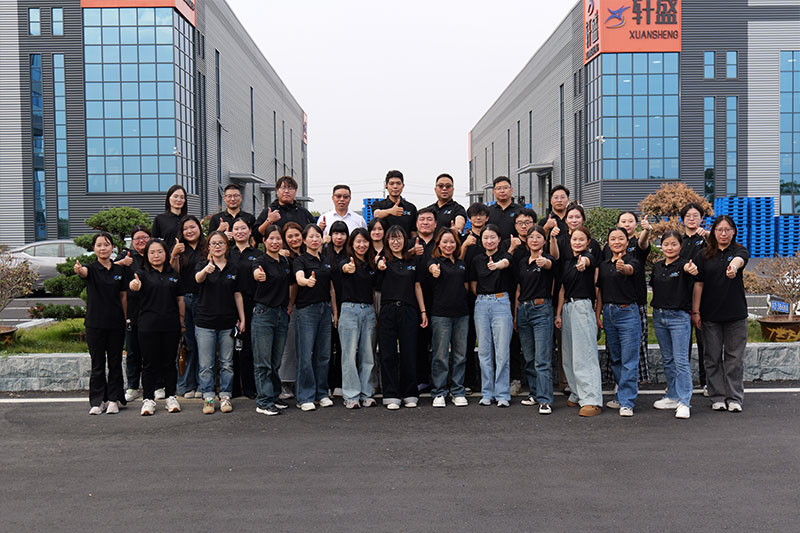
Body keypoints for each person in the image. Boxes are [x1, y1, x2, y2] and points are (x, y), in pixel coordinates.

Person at [692, 215, 749, 413]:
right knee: (712, 358)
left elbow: (740, 260)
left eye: (727, 230)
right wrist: (696, 311)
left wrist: (733, 267)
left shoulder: (739, 251)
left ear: (733, 232)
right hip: (710, 315)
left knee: (735, 359)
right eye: (719, 230)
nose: (723, 234)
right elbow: (698, 284)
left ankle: (734, 398)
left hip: (736, 315)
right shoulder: (703, 255)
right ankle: (717, 396)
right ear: (714, 232)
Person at [128, 239, 185, 416]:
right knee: (149, 363)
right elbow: (133, 286)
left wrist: (182, 321)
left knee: (169, 362)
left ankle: (171, 397)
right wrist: (134, 286)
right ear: (147, 255)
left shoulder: (173, 274)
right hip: (148, 325)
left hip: (171, 324)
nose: (156, 255)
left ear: (166, 253)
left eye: (160, 251)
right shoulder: (141, 274)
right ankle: (148, 399)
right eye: (152, 252)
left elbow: (180, 299)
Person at [75, 232, 127, 415]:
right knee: (97, 364)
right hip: (95, 324)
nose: (103, 248)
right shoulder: (90, 268)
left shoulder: (119, 270)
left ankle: (113, 399)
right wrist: (78, 270)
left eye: (106, 244)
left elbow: (123, 296)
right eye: (99, 245)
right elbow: (83, 272)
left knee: (115, 363)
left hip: (116, 324)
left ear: (112, 247)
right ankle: (98, 401)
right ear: (94, 248)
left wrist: (125, 318)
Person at [194, 231, 246, 414]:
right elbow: (197, 279)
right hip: (205, 322)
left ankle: (225, 395)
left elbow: (237, 294)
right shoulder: (202, 265)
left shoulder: (233, 268)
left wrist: (242, 318)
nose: (217, 246)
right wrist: (205, 271)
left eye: (221, 243)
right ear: (208, 247)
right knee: (206, 364)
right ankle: (208, 397)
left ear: (226, 246)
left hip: (228, 322)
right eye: (214, 243)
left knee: (227, 363)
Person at [376, 225, 428, 409]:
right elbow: (376, 275)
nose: (395, 242)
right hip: (388, 310)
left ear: (405, 241)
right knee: (388, 353)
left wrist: (423, 311)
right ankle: (391, 395)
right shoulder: (383, 260)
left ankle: (409, 392)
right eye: (392, 238)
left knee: (409, 352)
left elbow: (417, 286)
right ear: (387, 241)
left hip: (409, 310)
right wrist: (379, 266)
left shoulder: (412, 261)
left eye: (399, 238)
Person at [554, 225, 602, 417]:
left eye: (581, 239)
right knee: (569, 355)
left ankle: (592, 399)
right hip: (567, 308)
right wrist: (558, 314)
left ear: (588, 242)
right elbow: (562, 290)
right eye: (574, 239)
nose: (577, 242)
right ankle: (577, 393)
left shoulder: (589, 257)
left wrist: (584, 263)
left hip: (582, 307)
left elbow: (587, 262)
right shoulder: (567, 262)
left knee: (585, 355)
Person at [651, 231, 698, 419]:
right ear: (661, 246)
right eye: (666, 244)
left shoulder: (684, 265)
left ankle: (685, 402)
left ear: (680, 246)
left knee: (681, 361)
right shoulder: (657, 266)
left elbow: (690, 270)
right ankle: (672, 395)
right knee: (668, 360)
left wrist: (691, 269)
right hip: (659, 316)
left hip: (679, 317)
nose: (669, 248)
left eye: (674, 244)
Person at [596, 227, 642, 417]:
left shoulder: (633, 261)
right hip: (609, 313)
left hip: (627, 312)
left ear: (627, 241)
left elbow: (630, 270)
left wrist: (623, 268)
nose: (617, 242)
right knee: (616, 358)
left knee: (629, 359)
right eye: (613, 239)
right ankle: (620, 394)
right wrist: (597, 315)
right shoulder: (604, 265)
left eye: (621, 238)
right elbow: (600, 291)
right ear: (608, 242)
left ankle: (627, 402)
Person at [293, 224, 338, 411]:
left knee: (323, 355)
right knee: (305, 355)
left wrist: (335, 311)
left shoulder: (326, 260)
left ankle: (321, 393)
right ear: (304, 240)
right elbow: (299, 278)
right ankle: (305, 396)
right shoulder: (300, 260)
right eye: (310, 236)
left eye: (317, 236)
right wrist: (306, 281)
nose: (314, 239)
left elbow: (332, 288)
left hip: (325, 309)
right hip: (307, 310)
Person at [251, 225, 293, 416]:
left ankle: (274, 395)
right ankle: (264, 401)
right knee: (263, 362)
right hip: (264, 314)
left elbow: (291, 283)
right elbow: (255, 272)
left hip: (281, 314)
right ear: (264, 241)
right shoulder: (260, 261)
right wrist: (257, 275)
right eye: (271, 238)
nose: (275, 242)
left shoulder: (284, 261)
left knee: (276, 360)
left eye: (278, 239)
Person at [470, 224, 514, 407]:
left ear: (499, 239)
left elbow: (506, 264)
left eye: (493, 237)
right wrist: (483, 298)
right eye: (485, 237)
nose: (489, 241)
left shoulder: (505, 257)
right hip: (481, 303)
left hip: (501, 302)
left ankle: (502, 394)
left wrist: (496, 265)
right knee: (484, 351)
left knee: (502, 351)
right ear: (481, 240)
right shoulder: (477, 260)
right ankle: (487, 392)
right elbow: (473, 284)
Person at [514, 225, 556, 414]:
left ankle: (545, 400)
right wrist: (516, 314)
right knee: (529, 357)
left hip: (541, 310)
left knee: (542, 358)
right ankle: (535, 393)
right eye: (531, 237)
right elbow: (518, 289)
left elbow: (549, 265)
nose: (534, 240)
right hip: (523, 310)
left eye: (538, 237)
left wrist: (543, 262)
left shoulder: (547, 258)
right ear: (527, 240)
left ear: (544, 241)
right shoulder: (522, 262)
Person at [427, 228, 470, 407]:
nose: (448, 245)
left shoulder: (461, 264)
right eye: (444, 242)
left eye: (452, 242)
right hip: (441, 315)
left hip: (462, 314)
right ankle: (439, 392)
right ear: (438, 244)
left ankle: (458, 391)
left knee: (460, 355)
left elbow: (466, 286)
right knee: (440, 355)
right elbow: (431, 269)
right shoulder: (434, 262)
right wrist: (434, 270)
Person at [611, 211, 653, 384]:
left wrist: (647, 231)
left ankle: (636, 379)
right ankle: (618, 380)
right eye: (623, 221)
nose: (627, 224)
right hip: (614, 301)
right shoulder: (610, 246)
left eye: (630, 221)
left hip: (636, 301)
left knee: (638, 342)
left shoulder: (637, 244)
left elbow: (643, 243)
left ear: (636, 225)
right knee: (615, 345)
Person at [338, 228, 378, 409]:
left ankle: (367, 393)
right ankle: (351, 395)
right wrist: (347, 268)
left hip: (368, 311)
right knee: (349, 355)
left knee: (368, 355)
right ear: (352, 244)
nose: (362, 245)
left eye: (365, 241)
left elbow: (373, 291)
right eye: (358, 241)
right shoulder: (346, 261)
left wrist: (375, 313)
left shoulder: (371, 265)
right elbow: (343, 269)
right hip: (350, 310)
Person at [170, 215, 205, 399]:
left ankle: (202, 384)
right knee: (188, 343)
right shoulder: (180, 248)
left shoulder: (206, 247)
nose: (189, 231)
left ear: (199, 228)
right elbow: (173, 273)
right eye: (185, 229)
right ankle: (186, 385)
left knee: (203, 343)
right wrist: (174, 254)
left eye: (193, 227)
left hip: (204, 300)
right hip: (184, 300)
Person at [230, 218, 263, 399]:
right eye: (236, 228)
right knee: (231, 347)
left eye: (243, 228)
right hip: (230, 304)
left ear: (250, 231)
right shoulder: (227, 253)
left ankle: (250, 387)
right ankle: (233, 388)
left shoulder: (258, 254)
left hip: (252, 303)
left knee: (249, 346)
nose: (240, 231)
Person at [680, 202, 709, 395]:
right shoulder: (678, 240)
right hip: (682, 295)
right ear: (682, 219)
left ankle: (706, 382)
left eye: (695, 215)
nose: (691, 219)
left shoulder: (707, 239)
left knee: (704, 341)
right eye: (688, 216)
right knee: (683, 343)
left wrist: (708, 236)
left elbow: (722, 246)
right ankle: (682, 383)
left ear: (701, 218)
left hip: (704, 295)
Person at [460, 202, 489, 393]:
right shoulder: (463, 239)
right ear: (469, 219)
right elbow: (456, 262)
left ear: (487, 217)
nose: (478, 218)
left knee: (489, 341)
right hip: (467, 296)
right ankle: (469, 381)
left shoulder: (491, 237)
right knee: (468, 340)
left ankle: (489, 381)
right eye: (474, 215)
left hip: (489, 295)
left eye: (481, 214)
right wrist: (464, 245)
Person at [120, 225, 150, 403]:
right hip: (132, 311)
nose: (141, 241)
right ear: (132, 241)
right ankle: (132, 386)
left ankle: (155, 385)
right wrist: (121, 263)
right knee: (132, 352)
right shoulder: (126, 257)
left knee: (152, 351)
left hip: (152, 310)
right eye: (137, 238)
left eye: (145, 237)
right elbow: (109, 269)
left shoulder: (155, 253)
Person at [413, 208, 438, 392]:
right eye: (422, 219)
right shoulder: (410, 244)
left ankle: (438, 381)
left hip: (439, 299)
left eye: (429, 219)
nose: (425, 222)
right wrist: (411, 251)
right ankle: (421, 379)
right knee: (418, 342)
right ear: (416, 224)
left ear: (435, 224)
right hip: (415, 300)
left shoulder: (441, 243)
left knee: (438, 342)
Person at [277, 222, 303, 399]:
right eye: (290, 236)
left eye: (297, 235)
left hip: (307, 304)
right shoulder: (284, 257)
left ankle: (299, 383)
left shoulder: (308, 253)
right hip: (290, 305)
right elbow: (292, 284)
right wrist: (290, 304)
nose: (294, 239)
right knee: (289, 346)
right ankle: (285, 383)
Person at [323, 221, 349, 396]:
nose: (339, 237)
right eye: (336, 233)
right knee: (326, 346)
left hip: (346, 303)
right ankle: (326, 383)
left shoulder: (350, 253)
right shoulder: (324, 253)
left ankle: (339, 382)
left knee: (342, 346)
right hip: (326, 303)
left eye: (343, 233)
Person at [371, 170, 418, 237]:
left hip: (406, 243)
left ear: (403, 186)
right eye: (391, 184)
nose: (395, 186)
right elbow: (376, 214)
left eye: (398, 183)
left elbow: (413, 231)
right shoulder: (378, 204)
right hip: (385, 243)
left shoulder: (411, 207)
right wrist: (390, 211)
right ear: (386, 186)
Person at [151, 184, 187, 249]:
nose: (179, 200)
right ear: (169, 198)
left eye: (182, 197)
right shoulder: (160, 219)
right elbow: (154, 241)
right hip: (168, 254)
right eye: (175, 196)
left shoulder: (188, 219)